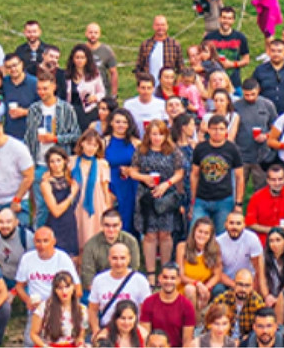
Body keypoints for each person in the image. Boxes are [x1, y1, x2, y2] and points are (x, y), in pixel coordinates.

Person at [25, 68, 80, 227]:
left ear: (54, 87)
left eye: (45, 88)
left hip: (60, 167)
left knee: (62, 205)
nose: (42, 92)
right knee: (42, 207)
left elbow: (76, 134)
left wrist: (55, 138)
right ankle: (38, 236)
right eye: (39, 89)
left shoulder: (66, 109)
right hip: (40, 163)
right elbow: (28, 137)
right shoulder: (33, 109)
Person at [131, 119, 184, 282]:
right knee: (150, 234)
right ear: (148, 134)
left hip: (166, 195)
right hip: (146, 195)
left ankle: (166, 271)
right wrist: (143, 177)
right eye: (154, 134)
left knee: (166, 234)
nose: (157, 137)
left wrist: (167, 184)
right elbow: (132, 171)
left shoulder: (173, 151)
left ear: (165, 135)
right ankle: (151, 273)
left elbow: (180, 172)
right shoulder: (141, 150)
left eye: (160, 134)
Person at [190, 114, 244, 233]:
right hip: (202, 199)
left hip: (224, 199)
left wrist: (238, 203)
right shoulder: (200, 148)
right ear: (208, 130)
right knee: (195, 232)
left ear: (226, 130)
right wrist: (193, 199)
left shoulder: (232, 149)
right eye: (214, 128)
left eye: (221, 129)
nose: (217, 132)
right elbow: (194, 174)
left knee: (222, 235)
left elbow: (239, 177)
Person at [88, 243, 151, 335]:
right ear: (109, 258)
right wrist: (96, 330)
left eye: (122, 258)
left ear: (129, 258)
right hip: (107, 331)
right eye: (114, 258)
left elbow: (145, 311)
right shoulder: (99, 280)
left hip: (132, 331)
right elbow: (93, 309)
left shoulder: (140, 280)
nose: (119, 263)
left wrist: (142, 335)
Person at [80, 208, 142, 295]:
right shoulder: (91, 245)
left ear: (121, 225)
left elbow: (133, 269)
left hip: (125, 286)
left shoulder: (131, 242)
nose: (111, 229)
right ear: (101, 225)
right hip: (100, 289)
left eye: (115, 225)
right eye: (107, 225)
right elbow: (88, 277)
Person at [72, 128, 114, 249]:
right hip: (78, 204)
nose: (91, 148)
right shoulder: (72, 161)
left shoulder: (102, 164)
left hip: (97, 204)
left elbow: (105, 189)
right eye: (89, 144)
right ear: (82, 143)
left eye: (95, 145)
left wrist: (107, 207)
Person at [235, 78, 278, 191]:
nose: (249, 97)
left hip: (261, 155)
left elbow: (276, 128)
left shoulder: (267, 105)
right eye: (246, 95)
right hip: (241, 155)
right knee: (237, 188)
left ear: (258, 90)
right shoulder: (236, 106)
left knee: (261, 190)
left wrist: (266, 136)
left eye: (252, 94)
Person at [140, 263, 196, 347]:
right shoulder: (149, 302)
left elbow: (187, 341)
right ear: (159, 278)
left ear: (178, 280)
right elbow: (145, 337)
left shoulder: (187, 306)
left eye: (172, 278)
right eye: (165, 277)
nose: (169, 281)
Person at [176, 216, 223, 315]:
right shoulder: (182, 247)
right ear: (194, 232)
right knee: (190, 289)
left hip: (204, 289)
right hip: (185, 286)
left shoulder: (215, 248)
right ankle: (192, 322)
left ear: (210, 235)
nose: (202, 235)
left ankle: (197, 321)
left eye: (206, 233)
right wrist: (197, 283)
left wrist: (207, 287)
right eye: (200, 231)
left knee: (206, 294)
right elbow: (181, 275)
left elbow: (217, 275)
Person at [38, 145, 79, 256]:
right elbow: (55, 211)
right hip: (56, 225)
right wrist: (71, 195)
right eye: (52, 162)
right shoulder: (46, 183)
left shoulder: (71, 179)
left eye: (58, 160)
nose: (56, 165)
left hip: (71, 223)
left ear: (65, 161)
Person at [29, 270, 84, 348]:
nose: (64, 291)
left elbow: (80, 336)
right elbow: (33, 334)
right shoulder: (44, 307)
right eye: (60, 288)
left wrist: (80, 344)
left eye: (67, 287)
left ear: (73, 287)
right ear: (55, 290)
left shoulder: (82, 310)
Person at [204, 6, 251, 93]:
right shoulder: (209, 37)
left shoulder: (240, 37)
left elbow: (246, 59)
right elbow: (202, 58)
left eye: (229, 18)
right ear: (219, 19)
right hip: (214, 84)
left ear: (233, 20)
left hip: (234, 83)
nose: (226, 21)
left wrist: (232, 64)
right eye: (224, 18)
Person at [217, 210, 265, 292]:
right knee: (218, 289)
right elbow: (218, 272)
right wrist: (236, 286)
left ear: (244, 225)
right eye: (231, 223)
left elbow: (258, 269)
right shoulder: (218, 242)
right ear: (225, 224)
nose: (234, 227)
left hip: (249, 281)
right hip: (227, 282)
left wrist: (251, 288)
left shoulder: (252, 238)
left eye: (238, 223)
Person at [63, 44, 106, 132]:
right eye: (77, 57)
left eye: (82, 57)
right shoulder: (66, 75)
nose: (80, 60)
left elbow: (102, 92)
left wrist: (95, 97)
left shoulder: (94, 74)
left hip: (88, 112)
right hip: (71, 112)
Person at [135, 16, 183, 84]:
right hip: (150, 86)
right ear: (153, 26)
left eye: (163, 25)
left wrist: (176, 83)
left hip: (168, 86)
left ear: (167, 26)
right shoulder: (146, 44)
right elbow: (138, 67)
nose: (160, 28)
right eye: (157, 25)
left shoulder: (175, 45)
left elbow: (180, 68)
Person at [2, 53, 38, 142]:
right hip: (9, 135)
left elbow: (44, 108)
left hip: (29, 135)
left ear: (21, 64)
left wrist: (25, 112)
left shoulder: (34, 83)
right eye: (9, 67)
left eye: (15, 65)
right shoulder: (4, 83)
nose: (13, 69)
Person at [85, 23, 120, 100]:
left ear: (99, 34)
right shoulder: (80, 49)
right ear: (86, 33)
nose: (93, 35)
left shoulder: (107, 51)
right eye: (90, 32)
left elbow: (113, 73)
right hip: (84, 91)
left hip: (102, 91)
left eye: (96, 33)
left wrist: (114, 94)